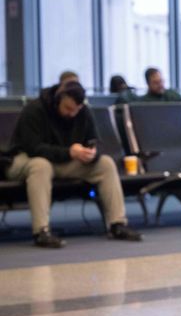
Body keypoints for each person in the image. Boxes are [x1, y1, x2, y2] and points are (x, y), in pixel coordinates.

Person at [7, 81, 143, 248]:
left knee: (105, 164)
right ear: (59, 99)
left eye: (76, 110)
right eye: (68, 108)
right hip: (24, 160)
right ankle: (41, 231)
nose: (72, 114)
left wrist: (91, 154)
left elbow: (94, 141)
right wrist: (69, 152)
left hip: (62, 161)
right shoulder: (35, 110)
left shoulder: (82, 112)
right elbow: (33, 148)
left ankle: (117, 224)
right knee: (41, 166)